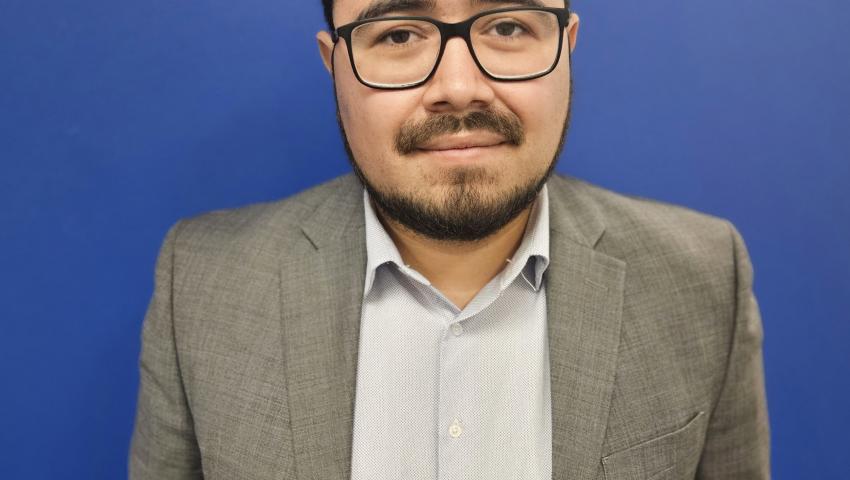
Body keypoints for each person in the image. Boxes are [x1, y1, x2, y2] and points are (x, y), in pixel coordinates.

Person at [129, 0, 770, 478]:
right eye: (399, 34)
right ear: (335, 65)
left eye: (508, 27)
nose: (459, 89)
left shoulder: (703, 276)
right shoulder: (204, 283)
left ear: (567, 46)